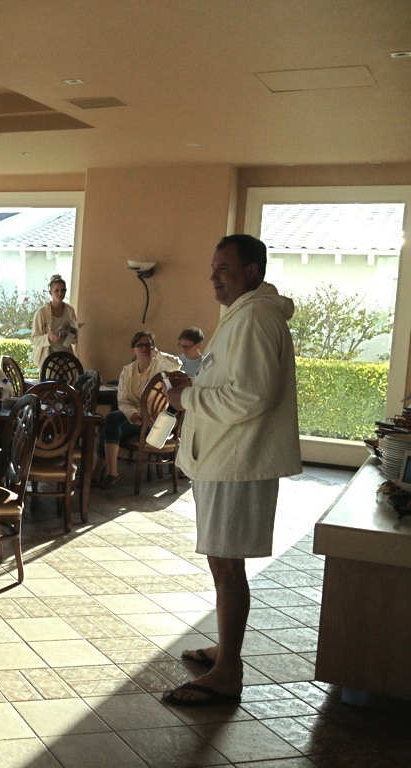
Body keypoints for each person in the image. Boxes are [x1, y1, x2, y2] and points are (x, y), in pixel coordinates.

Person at [163, 234, 300, 707]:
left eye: (224, 267)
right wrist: (196, 381)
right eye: (213, 266)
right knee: (222, 561)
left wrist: (188, 397)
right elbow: (233, 382)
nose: (213, 275)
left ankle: (228, 671)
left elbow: (253, 396)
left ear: (252, 271)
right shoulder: (241, 315)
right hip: (224, 459)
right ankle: (227, 649)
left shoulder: (258, 319)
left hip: (239, 463)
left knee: (227, 564)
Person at [92, 330, 181, 489]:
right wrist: (132, 415)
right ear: (133, 349)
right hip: (136, 421)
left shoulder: (160, 366)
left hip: (156, 423)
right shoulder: (128, 371)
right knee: (109, 423)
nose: (146, 348)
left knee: (110, 422)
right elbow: (123, 400)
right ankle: (106, 473)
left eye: (149, 344)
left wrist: (157, 353)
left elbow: (176, 364)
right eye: (141, 345)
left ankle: (105, 472)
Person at [30, 274, 78, 369]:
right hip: (48, 360)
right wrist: (48, 337)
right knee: (50, 384)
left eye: (63, 290)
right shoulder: (42, 312)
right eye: (56, 290)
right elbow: (34, 339)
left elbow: (75, 338)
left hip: (66, 359)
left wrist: (71, 333)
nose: (60, 293)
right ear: (50, 292)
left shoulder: (70, 311)